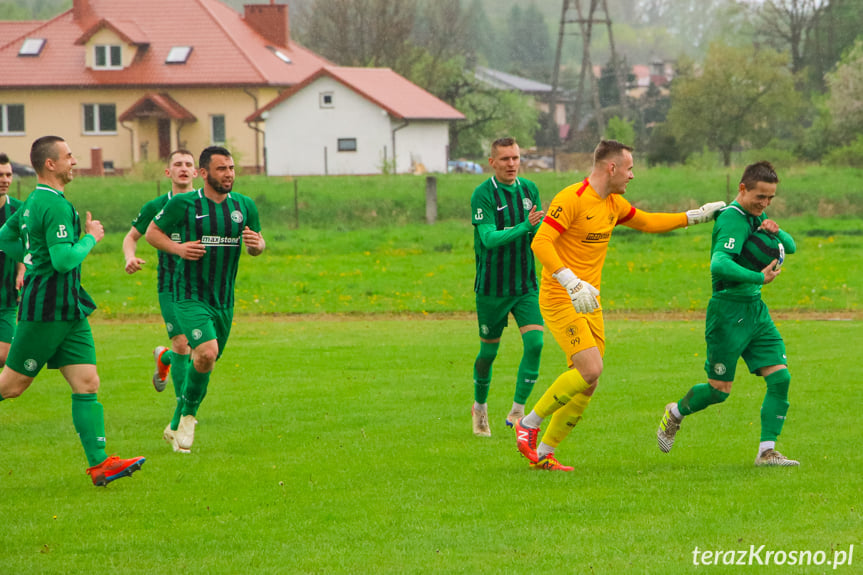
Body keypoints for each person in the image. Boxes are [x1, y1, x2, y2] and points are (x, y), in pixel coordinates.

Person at [514, 139, 725, 471]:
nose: (632, 175)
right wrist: (570, 281)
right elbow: (540, 241)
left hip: (589, 301)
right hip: (560, 295)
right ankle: (528, 423)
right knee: (590, 369)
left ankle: (543, 454)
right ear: (611, 168)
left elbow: (647, 222)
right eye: (629, 168)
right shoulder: (572, 199)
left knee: (589, 380)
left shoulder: (612, 204)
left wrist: (697, 216)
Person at [0, 136, 145, 486]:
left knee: (87, 381)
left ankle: (100, 464)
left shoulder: (35, 201)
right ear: (50, 164)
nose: (74, 161)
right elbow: (65, 261)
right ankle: (99, 462)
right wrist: (91, 237)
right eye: (68, 156)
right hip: (46, 310)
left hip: (71, 308)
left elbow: (5, 235)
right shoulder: (52, 204)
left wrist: (32, 256)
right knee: (12, 385)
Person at [657, 161, 798, 466]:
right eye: (760, 197)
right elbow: (719, 264)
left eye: (770, 198)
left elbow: (792, 247)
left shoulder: (756, 215)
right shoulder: (733, 219)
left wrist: (777, 230)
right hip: (728, 311)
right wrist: (760, 277)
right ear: (742, 188)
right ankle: (676, 412)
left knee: (780, 379)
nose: (765, 204)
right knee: (719, 391)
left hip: (755, 311)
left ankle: (766, 452)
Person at [145, 146, 265, 453]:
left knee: (204, 362)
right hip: (188, 296)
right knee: (206, 353)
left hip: (223, 300)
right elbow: (152, 234)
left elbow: (256, 245)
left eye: (231, 168)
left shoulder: (244, 206)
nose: (228, 174)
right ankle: (188, 417)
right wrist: (180, 249)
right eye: (222, 169)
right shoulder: (185, 204)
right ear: (204, 173)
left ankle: (175, 425)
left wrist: (257, 245)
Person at [470, 137, 545, 437]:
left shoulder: (530, 190)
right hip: (491, 288)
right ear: (492, 162)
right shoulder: (483, 194)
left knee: (536, 344)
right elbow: (488, 239)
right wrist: (524, 227)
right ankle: (480, 408)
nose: (512, 164)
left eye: (515, 158)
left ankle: (517, 412)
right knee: (488, 354)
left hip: (525, 285)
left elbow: (539, 232)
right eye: (504, 159)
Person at [122, 150, 197, 452]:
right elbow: (131, 237)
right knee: (184, 345)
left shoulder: (205, 206)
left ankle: (163, 358)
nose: (183, 169)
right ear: (168, 172)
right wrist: (129, 257)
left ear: (197, 172)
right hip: (170, 286)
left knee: (199, 353)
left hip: (202, 289)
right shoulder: (156, 206)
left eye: (188, 165)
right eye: (177, 164)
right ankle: (181, 419)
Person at [0, 154, 25, 366]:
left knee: (5, 356)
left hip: (5, 297)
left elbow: (27, 246)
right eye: (0, 175)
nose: (5, 180)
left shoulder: (18, 210)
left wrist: (21, 270)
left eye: (8, 175)